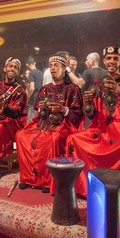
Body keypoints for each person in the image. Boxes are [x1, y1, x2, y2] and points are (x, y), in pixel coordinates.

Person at [65, 45, 120, 197]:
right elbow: (91, 116)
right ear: (103, 61)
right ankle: (83, 187)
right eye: (109, 58)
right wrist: (88, 104)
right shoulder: (97, 84)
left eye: (115, 58)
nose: (112, 61)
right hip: (100, 130)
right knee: (73, 139)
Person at [16, 53, 84, 193]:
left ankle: (49, 181)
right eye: (51, 66)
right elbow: (39, 113)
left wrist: (63, 110)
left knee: (53, 138)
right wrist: (42, 108)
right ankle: (27, 177)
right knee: (21, 136)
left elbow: (77, 114)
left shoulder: (73, 89)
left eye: (56, 66)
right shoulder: (44, 89)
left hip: (63, 123)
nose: (52, 68)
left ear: (64, 68)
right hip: (43, 123)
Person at [25, 57, 43, 123]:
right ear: (34, 63)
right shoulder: (41, 73)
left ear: (27, 65)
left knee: (31, 122)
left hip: (34, 100)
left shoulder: (31, 73)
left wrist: (28, 97)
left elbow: (32, 88)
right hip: (40, 99)